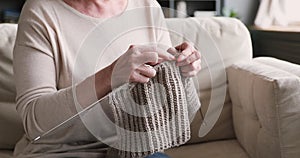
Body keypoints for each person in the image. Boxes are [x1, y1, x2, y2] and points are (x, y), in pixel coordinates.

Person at [13, 0, 201, 157]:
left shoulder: (147, 6)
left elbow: (167, 113)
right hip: (61, 152)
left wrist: (182, 73)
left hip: (135, 150)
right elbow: (34, 122)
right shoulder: (41, 11)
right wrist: (109, 76)